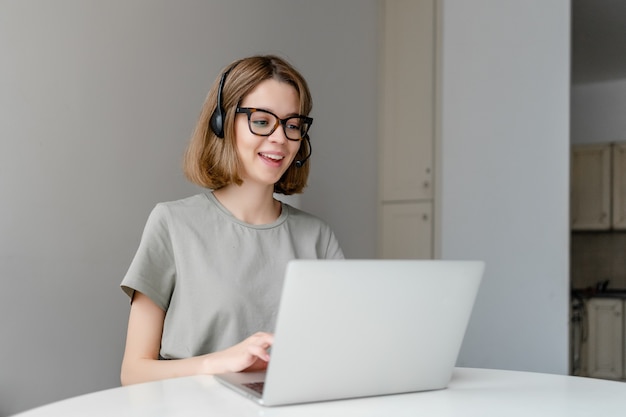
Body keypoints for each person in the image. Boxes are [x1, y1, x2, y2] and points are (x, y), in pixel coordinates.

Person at [119, 55, 344, 386]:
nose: (280, 138)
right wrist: (220, 362)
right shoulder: (172, 223)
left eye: (292, 125)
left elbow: (337, 353)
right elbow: (134, 373)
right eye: (262, 121)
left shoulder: (318, 237)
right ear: (222, 123)